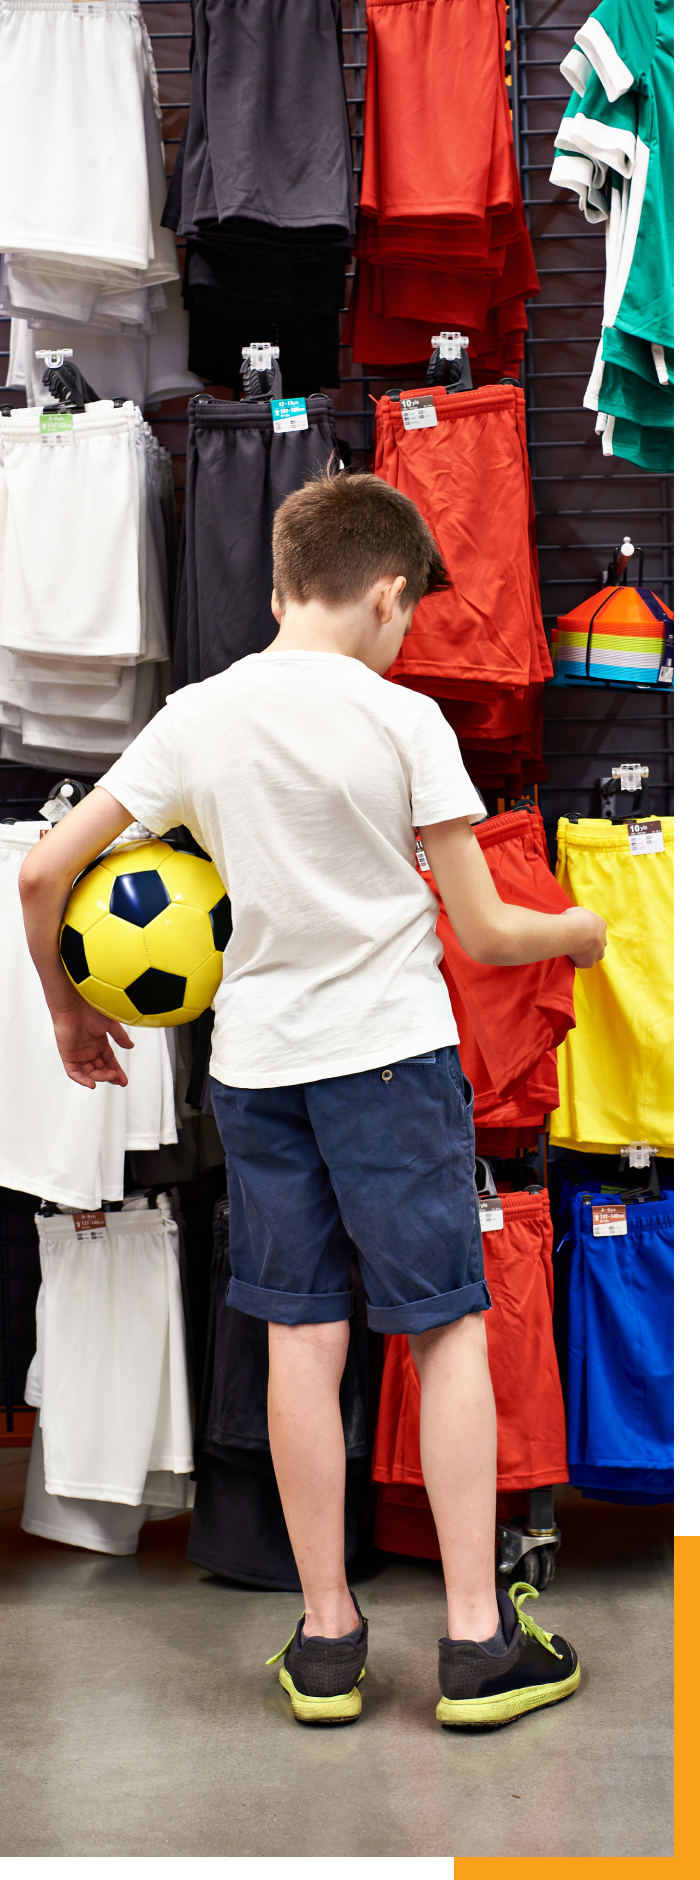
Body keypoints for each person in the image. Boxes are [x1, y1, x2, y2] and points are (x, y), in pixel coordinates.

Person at [20, 472, 606, 1729]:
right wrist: (585, 924)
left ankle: (329, 1638)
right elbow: (494, 931)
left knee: (301, 1335)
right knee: (443, 1326)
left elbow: (45, 870)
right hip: (390, 1059)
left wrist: (73, 1012)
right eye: (408, 617)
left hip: (259, 1068)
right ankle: (472, 1642)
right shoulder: (404, 724)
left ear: (282, 581)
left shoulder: (194, 717)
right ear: (389, 593)